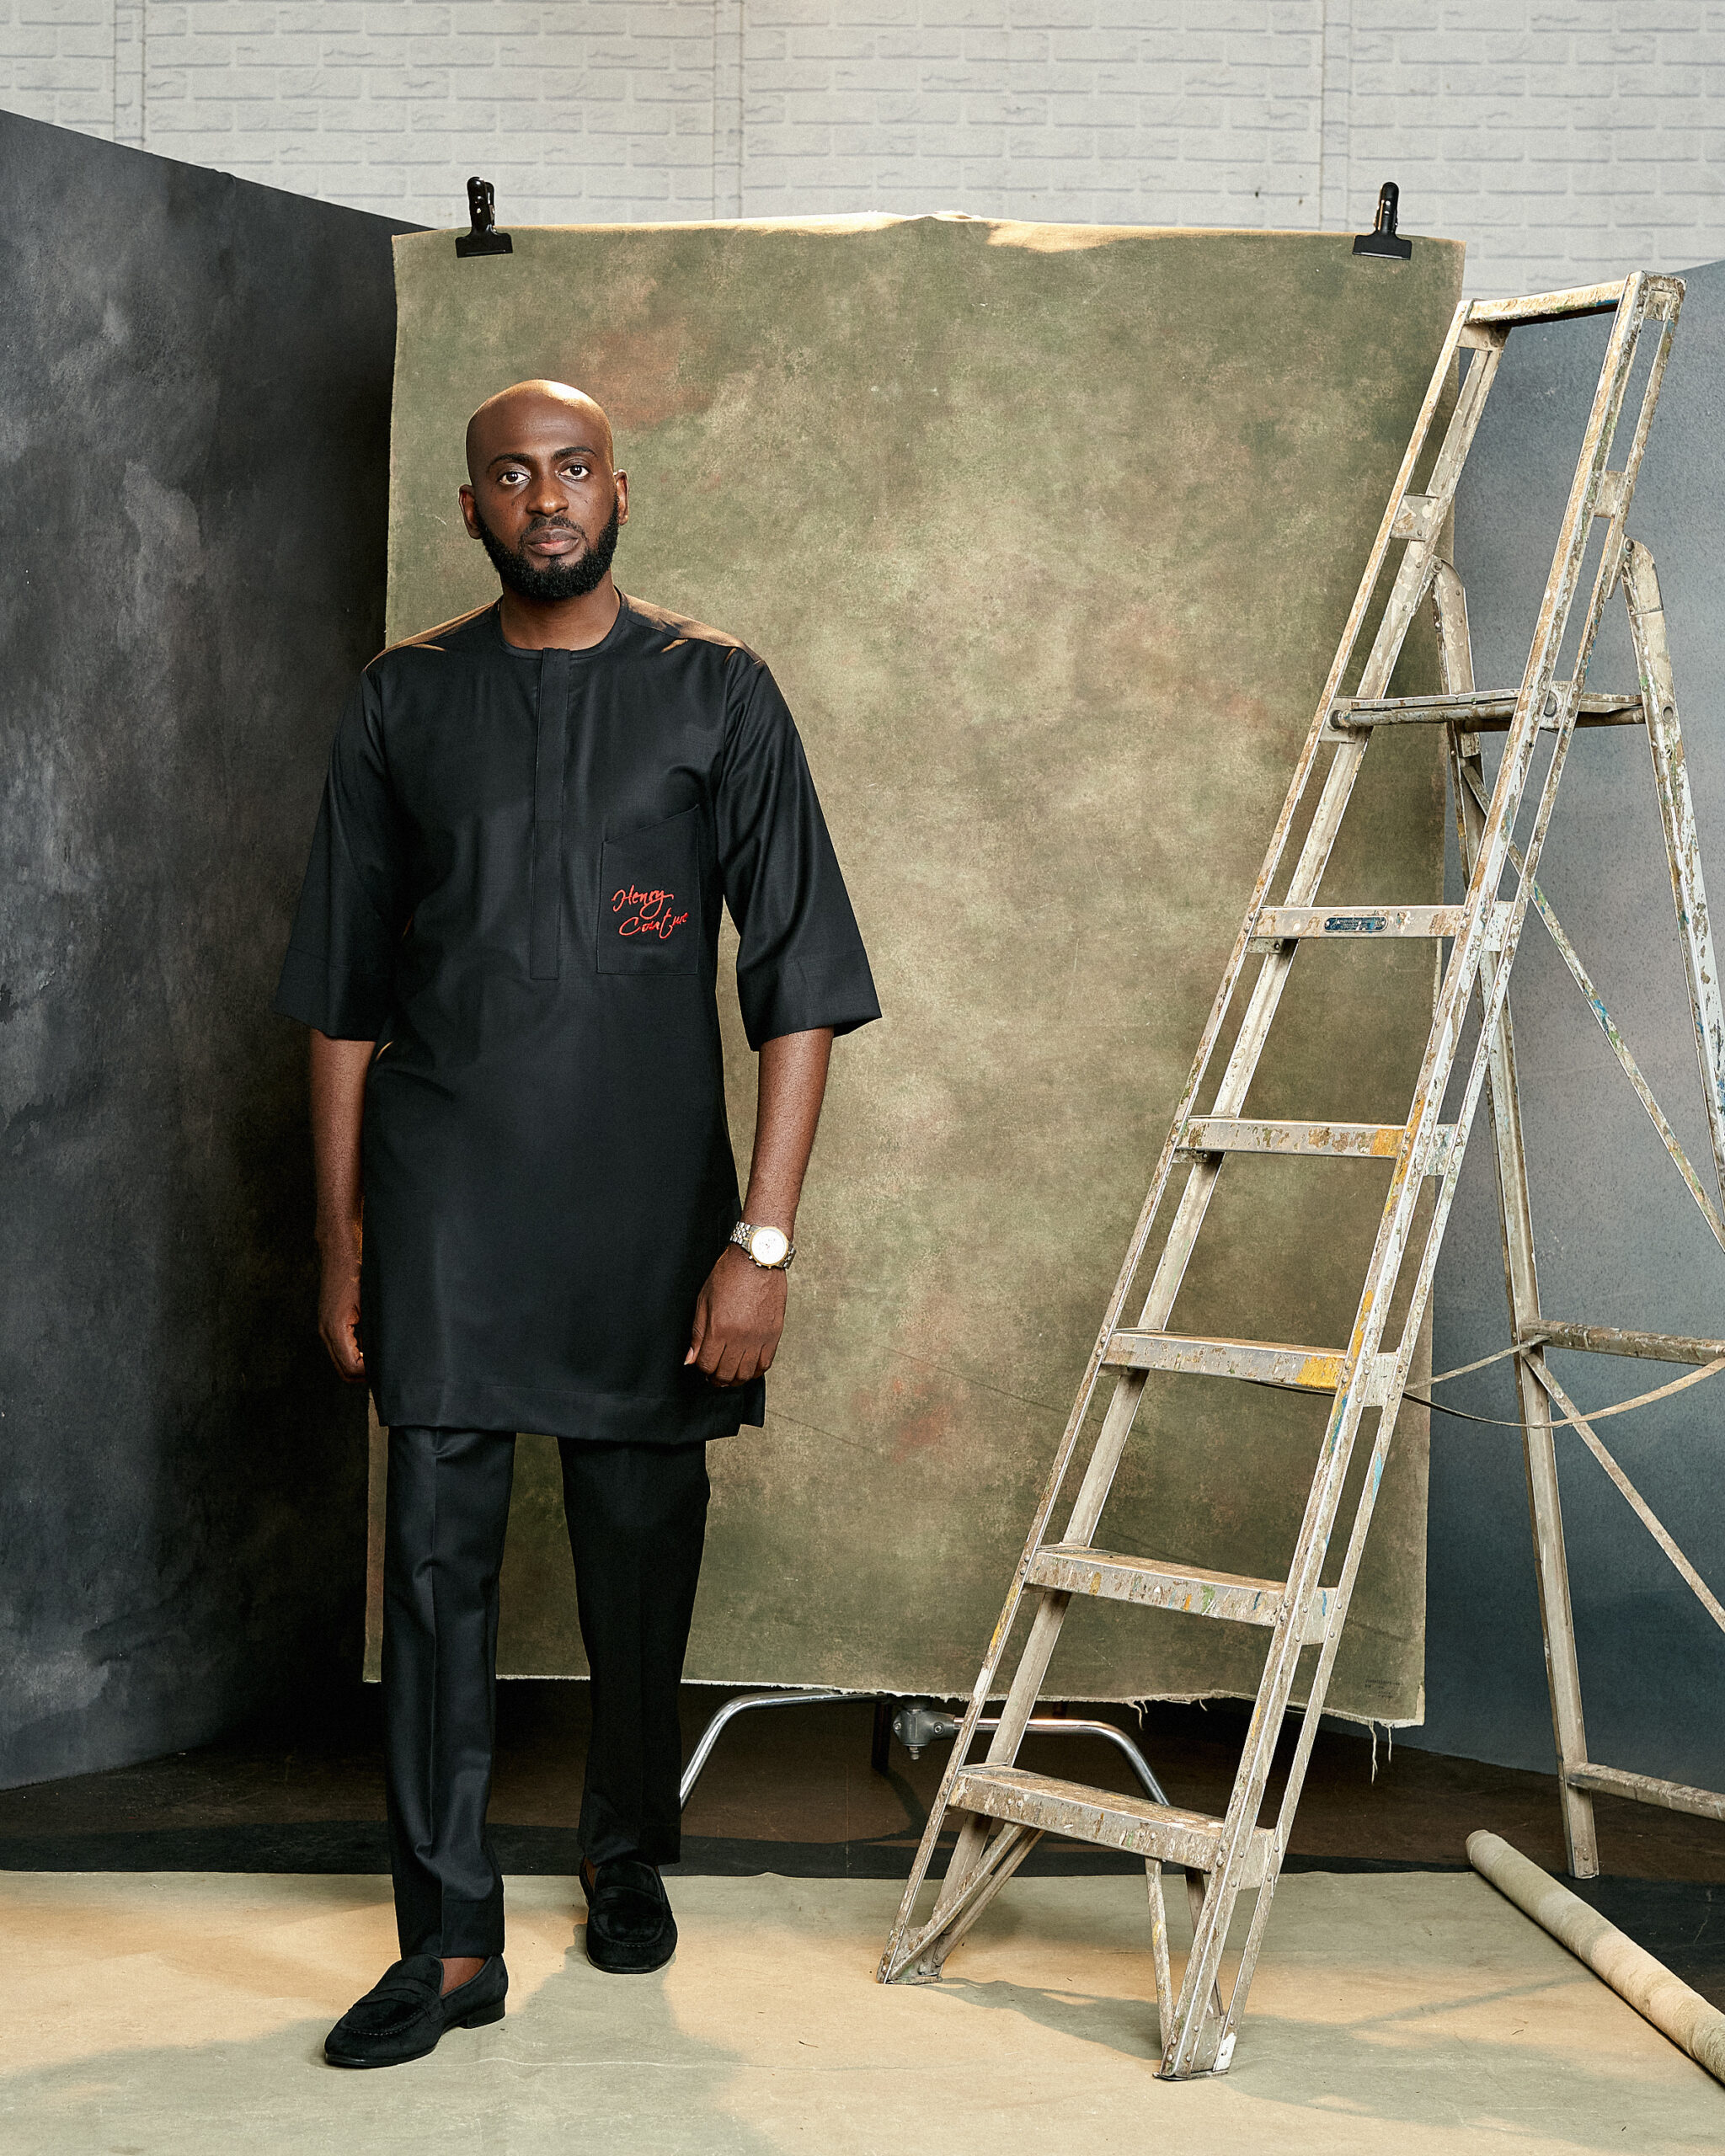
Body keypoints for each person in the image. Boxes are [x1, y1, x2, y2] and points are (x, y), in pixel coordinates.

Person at [275, 379, 879, 2068]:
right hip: (445, 1200)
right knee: (432, 1570)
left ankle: (626, 1851)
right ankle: (448, 1938)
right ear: (468, 508)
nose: (545, 498)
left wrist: (760, 1242)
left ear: (620, 490)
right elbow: (339, 993)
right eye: (510, 476)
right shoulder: (404, 697)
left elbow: (801, 980)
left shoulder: (717, 688)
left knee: (638, 1547)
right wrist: (342, 1238)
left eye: (573, 469)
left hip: (649, 1208)